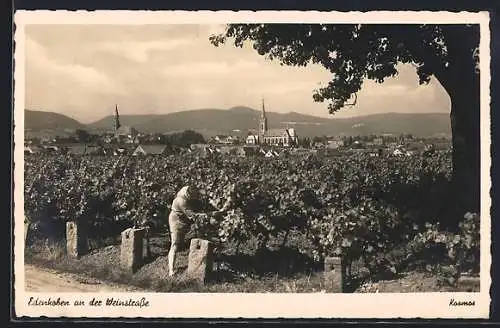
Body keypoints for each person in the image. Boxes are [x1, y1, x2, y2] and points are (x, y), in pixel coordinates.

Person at [167, 185, 222, 277]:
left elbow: (200, 204)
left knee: (200, 236)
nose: (195, 197)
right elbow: (193, 215)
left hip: (185, 220)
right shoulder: (181, 201)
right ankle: (171, 271)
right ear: (188, 194)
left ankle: (200, 262)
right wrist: (210, 214)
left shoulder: (190, 192)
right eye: (193, 195)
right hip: (176, 221)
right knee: (175, 244)